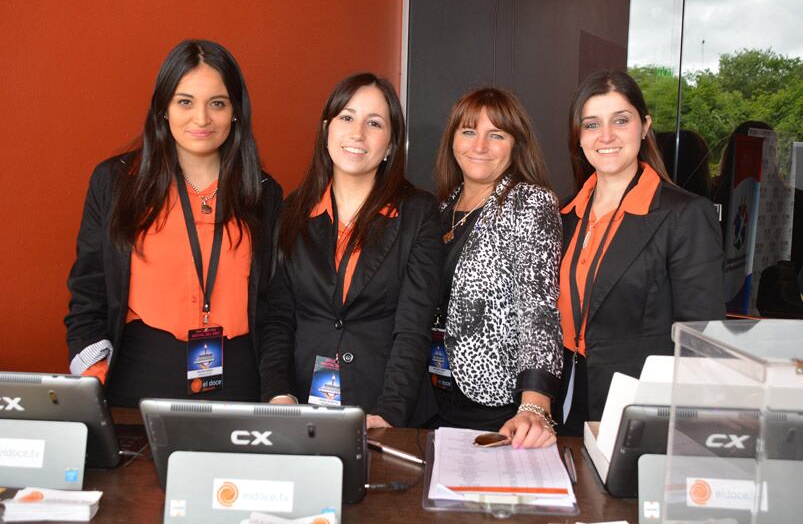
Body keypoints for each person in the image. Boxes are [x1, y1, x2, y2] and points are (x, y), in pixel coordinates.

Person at [65, 40, 283, 406]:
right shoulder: (116, 182)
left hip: (240, 377)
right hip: (140, 372)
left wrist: (278, 388)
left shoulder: (264, 194)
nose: (201, 119)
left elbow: (277, 304)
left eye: (217, 103)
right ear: (163, 108)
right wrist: (93, 373)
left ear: (235, 112)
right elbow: (88, 288)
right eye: (185, 102)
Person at [258, 73, 441, 429]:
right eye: (347, 117)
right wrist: (279, 394)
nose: (357, 133)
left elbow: (413, 325)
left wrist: (390, 414)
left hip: (383, 408)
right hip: (303, 407)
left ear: (390, 144)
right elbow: (279, 317)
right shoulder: (293, 211)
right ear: (327, 129)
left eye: (374, 123)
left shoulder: (418, 212)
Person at [557, 70, 725, 435]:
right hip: (564, 397)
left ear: (644, 125)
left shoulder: (685, 215)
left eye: (621, 120)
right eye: (591, 124)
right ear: (578, 137)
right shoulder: (564, 214)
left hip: (639, 407)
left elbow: (701, 342)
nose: (606, 136)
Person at [433, 88, 563, 449]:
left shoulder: (529, 203)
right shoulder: (441, 207)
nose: (480, 146)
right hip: (431, 397)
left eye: (497, 135)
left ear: (516, 144)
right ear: (453, 140)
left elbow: (539, 308)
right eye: (469, 131)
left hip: (497, 406)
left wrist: (534, 406)